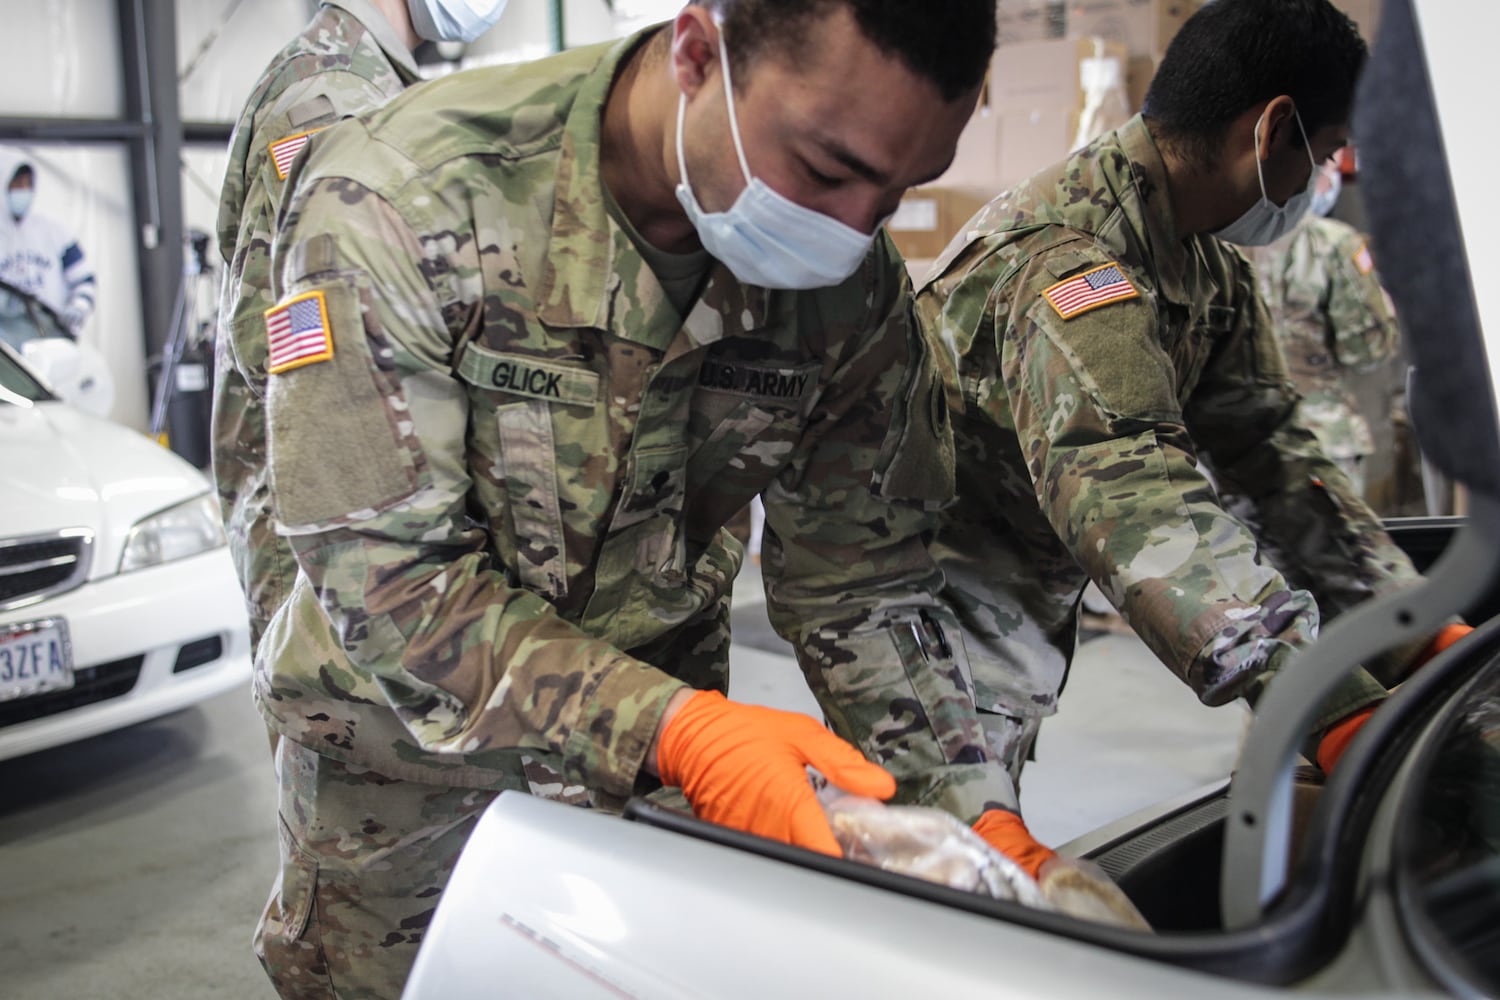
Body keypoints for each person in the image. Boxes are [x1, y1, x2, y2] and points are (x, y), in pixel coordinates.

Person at [255, 2, 1000, 996]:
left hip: (650, 789)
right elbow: (391, 584)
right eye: (827, 169)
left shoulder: (849, 292)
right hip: (406, 785)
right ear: (696, 53)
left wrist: (969, 804)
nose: (855, 227)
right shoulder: (404, 194)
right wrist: (675, 728)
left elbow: (859, 580)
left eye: (901, 191)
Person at [914, 0, 1469, 827]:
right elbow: (1134, 499)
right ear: (1274, 128)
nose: (1320, 183)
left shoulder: (1205, 257)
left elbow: (1271, 455)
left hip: (1032, 574)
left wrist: (1409, 619)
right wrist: (1324, 701)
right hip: (937, 599)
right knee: (937, 854)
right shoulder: (1072, 260)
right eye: (1327, 155)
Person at [211, 0, 508, 666]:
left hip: (360, 541)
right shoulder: (334, 95)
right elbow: (303, 352)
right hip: (340, 551)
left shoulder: (371, 84)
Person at [1246, 159, 1400, 497]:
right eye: (1329, 170)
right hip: (1321, 435)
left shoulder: (1220, 238)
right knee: (1333, 544)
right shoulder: (1331, 243)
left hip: (1240, 438)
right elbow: (1364, 351)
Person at [0, 147, 96, 351]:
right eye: (17, 184)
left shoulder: (54, 232)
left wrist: (79, 306)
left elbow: (84, 279)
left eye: (28, 185)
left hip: (50, 336)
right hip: (6, 346)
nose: (23, 190)